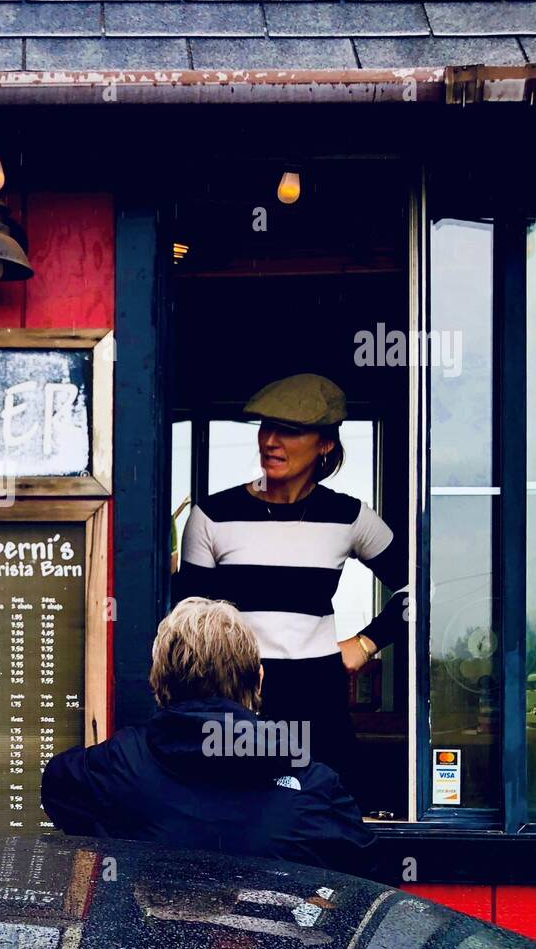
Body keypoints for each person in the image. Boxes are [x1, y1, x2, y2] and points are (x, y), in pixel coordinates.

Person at [174, 373, 407, 811]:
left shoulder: (349, 516)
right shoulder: (211, 515)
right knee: (237, 822)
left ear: (325, 445)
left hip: (319, 699)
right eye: (267, 427)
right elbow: (189, 625)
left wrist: (365, 643)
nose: (271, 441)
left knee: (329, 818)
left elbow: (420, 591)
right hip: (234, 701)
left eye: (291, 430)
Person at [41, 598, 375, 875]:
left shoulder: (115, 766)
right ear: (258, 680)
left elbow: (55, 786)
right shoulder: (313, 785)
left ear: (157, 682)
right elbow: (367, 878)